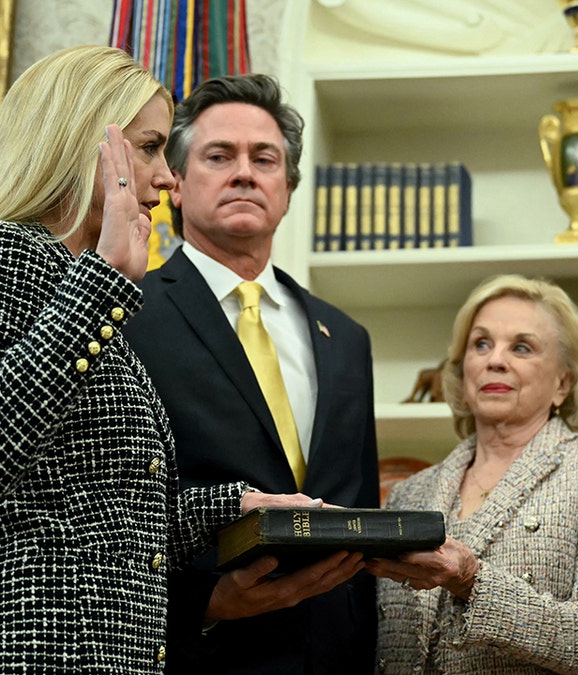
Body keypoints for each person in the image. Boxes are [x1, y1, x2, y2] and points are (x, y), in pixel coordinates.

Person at [0, 45, 311, 673]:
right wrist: (101, 278)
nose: (168, 177)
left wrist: (234, 505)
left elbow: (104, 518)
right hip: (27, 654)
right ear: (81, 143)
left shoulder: (84, 285)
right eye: (150, 147)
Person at [122, 73, 379, 674]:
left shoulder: (346, 337)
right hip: (194, 650)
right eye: (219, 156)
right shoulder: (124, 311)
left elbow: (357, 506)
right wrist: (200, 604)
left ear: (287, 189)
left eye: (264, 159)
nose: (244, 172)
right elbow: (107, 512)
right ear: (175, 184)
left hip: (334, 656)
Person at [366, 274, 578, 674]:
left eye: (521, 347)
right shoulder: (408, 493)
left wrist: (472, 582)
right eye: (481, 344)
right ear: (463, 374)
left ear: (563, 383)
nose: (495, 359)